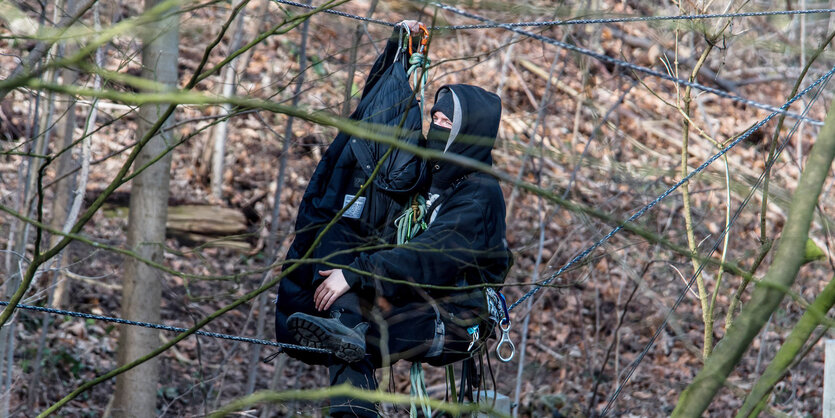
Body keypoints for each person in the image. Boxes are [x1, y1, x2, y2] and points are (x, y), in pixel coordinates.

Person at [278, 21, 511, 418]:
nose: (433, 126)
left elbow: (431, 256)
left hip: (459, 315)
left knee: (353, 326)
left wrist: (358, 271)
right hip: (418, 297)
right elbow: (384, 124)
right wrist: (398, 56)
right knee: (345, 321)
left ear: (467, 136)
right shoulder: (431, 175)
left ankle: (351, 354)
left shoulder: (479, 195)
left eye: (443, 123)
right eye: (433, 117)